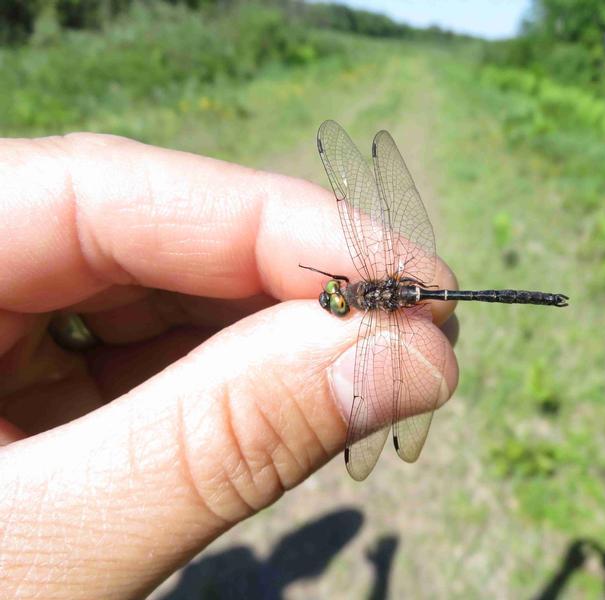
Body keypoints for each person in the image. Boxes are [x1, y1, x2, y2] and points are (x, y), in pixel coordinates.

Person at [0, 133, 458, 598]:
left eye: (335, 297)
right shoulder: (373, 285)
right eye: (337, 298)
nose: (333, 298)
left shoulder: (368, 311)